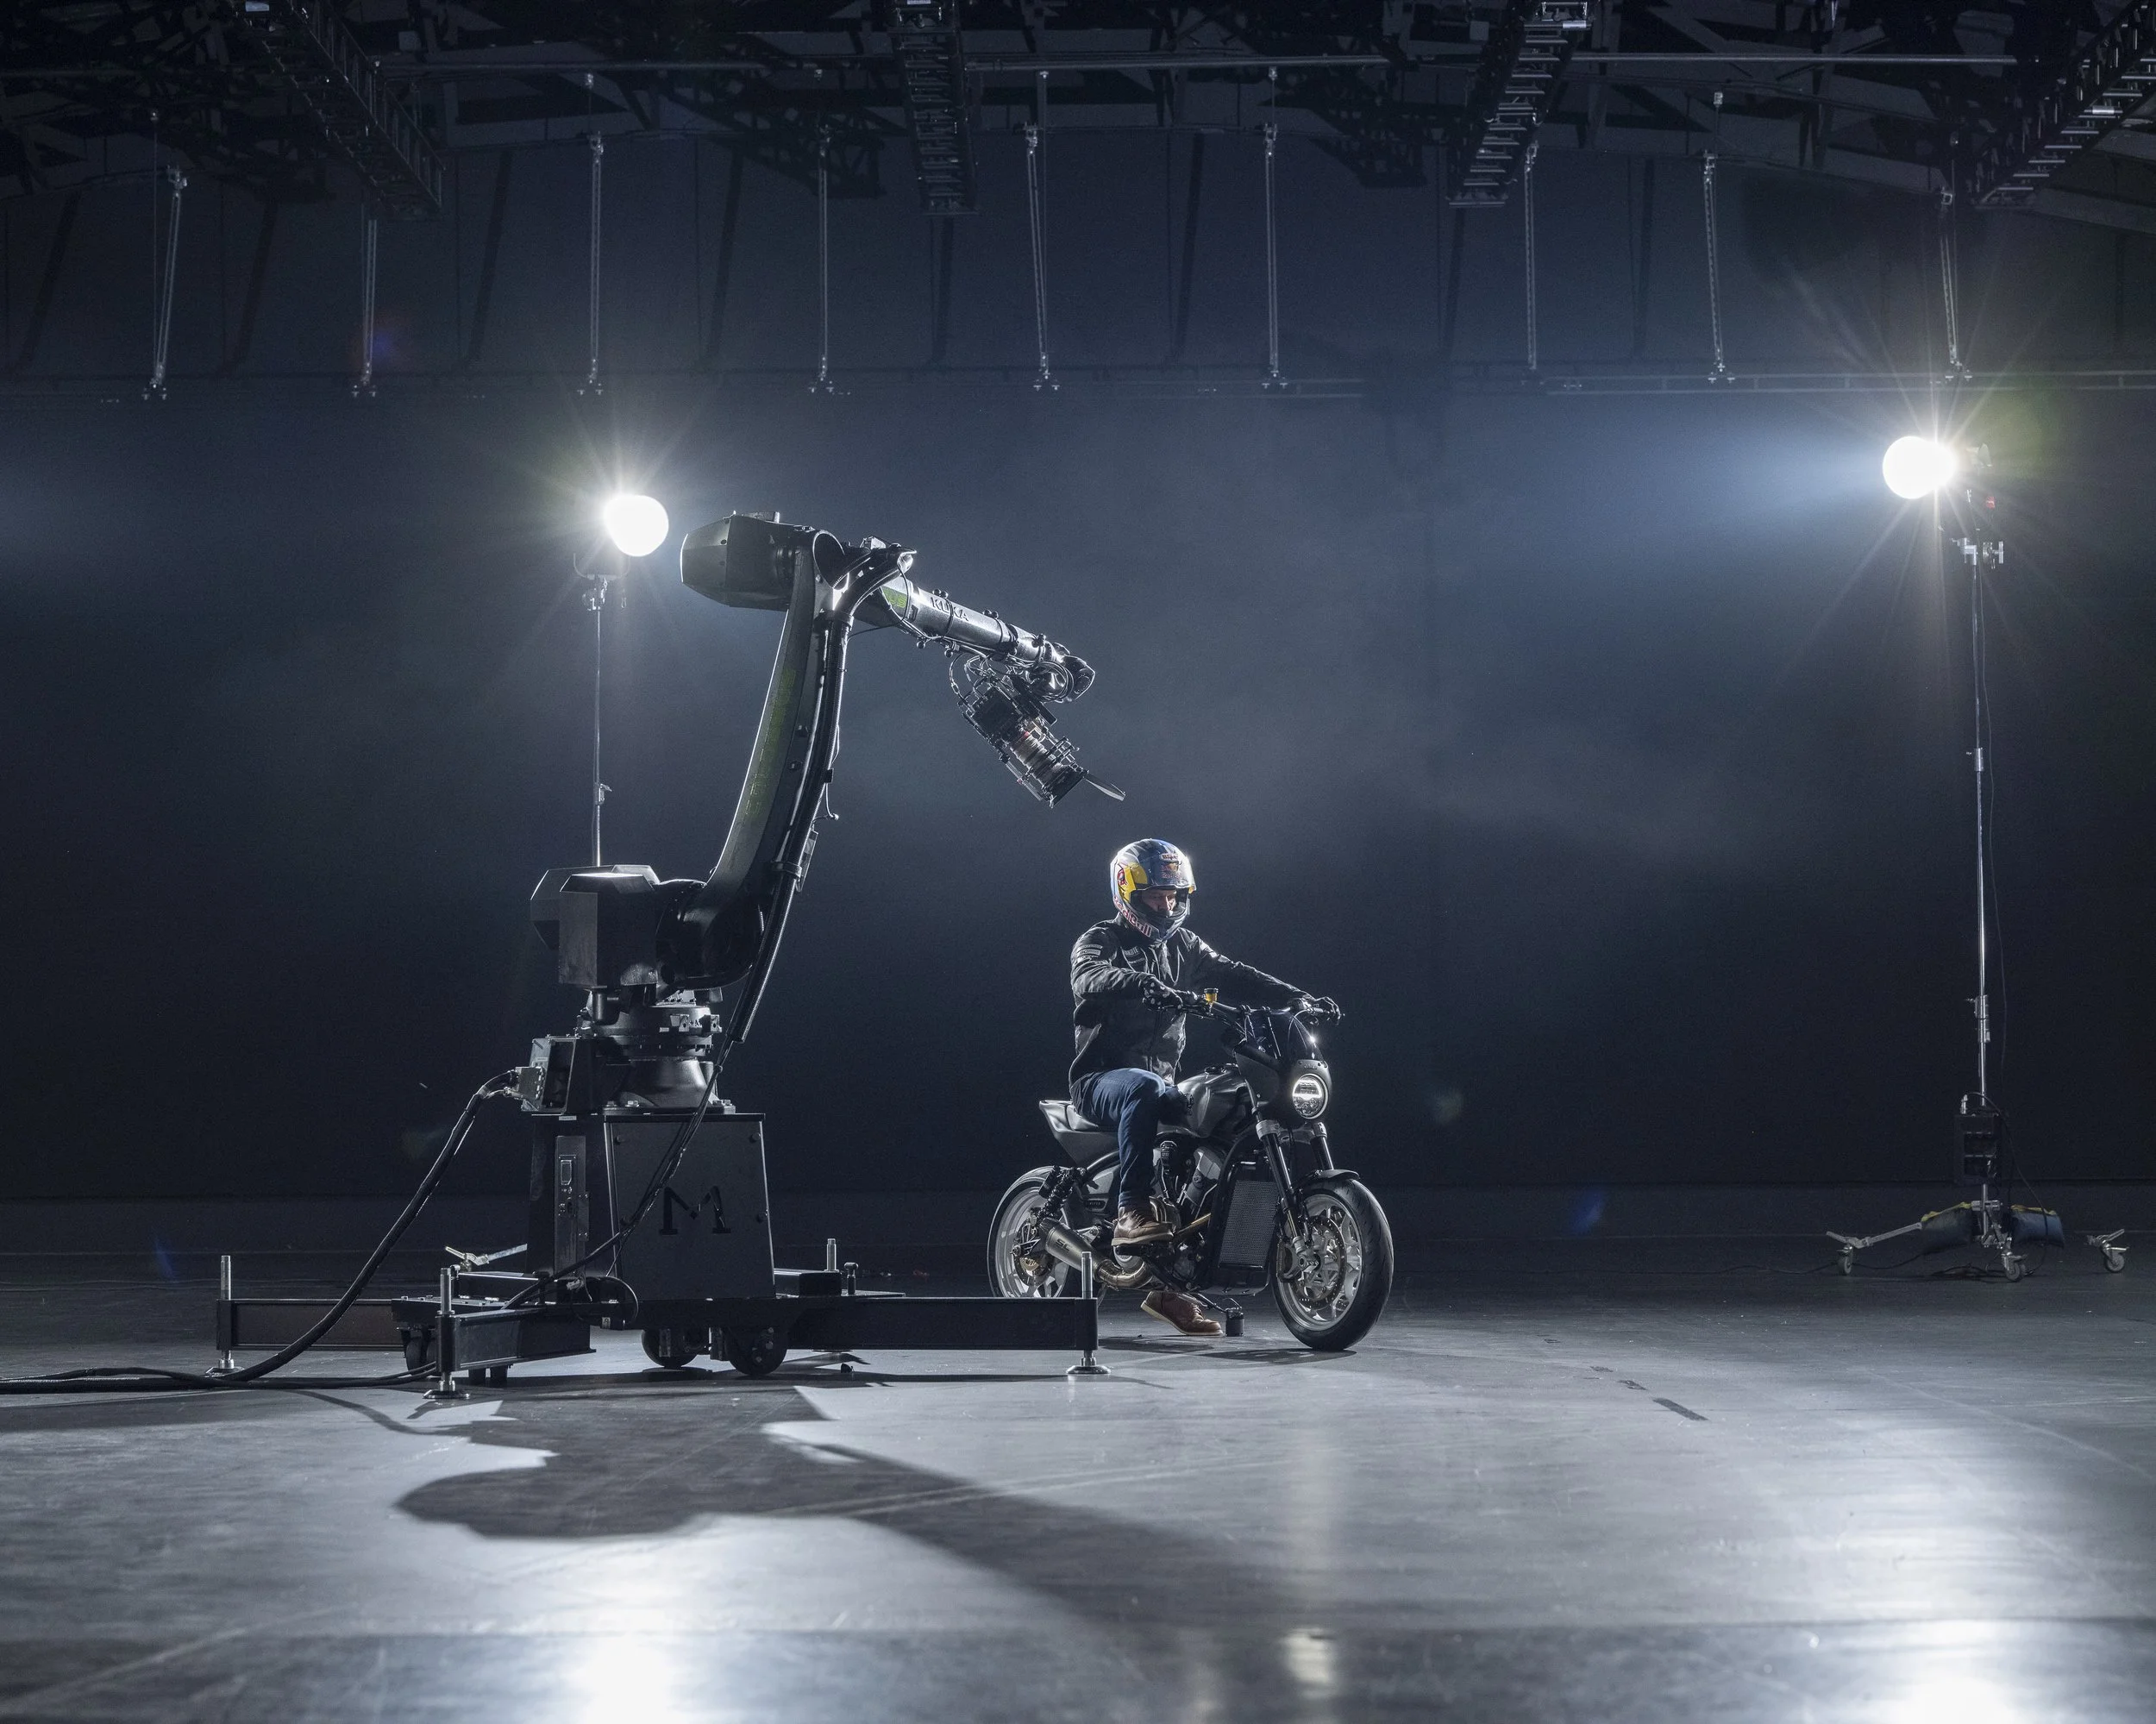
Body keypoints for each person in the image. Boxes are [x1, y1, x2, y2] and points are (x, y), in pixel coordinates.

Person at [1069, 838, 1338, 1336]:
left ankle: (1171, 1283)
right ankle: (1130, 1212)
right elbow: (1088, 977)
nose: (1166, 905)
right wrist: (1134, 982)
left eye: (1174, 895)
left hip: (1158, 1085)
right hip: (1101, 1081)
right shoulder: (1099, 940)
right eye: (1155, 896)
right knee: (1145, 1088)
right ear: (1127, 893)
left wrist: (1298, 998)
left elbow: (1237, 975)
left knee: (1226, 1107)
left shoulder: (1185, 947)